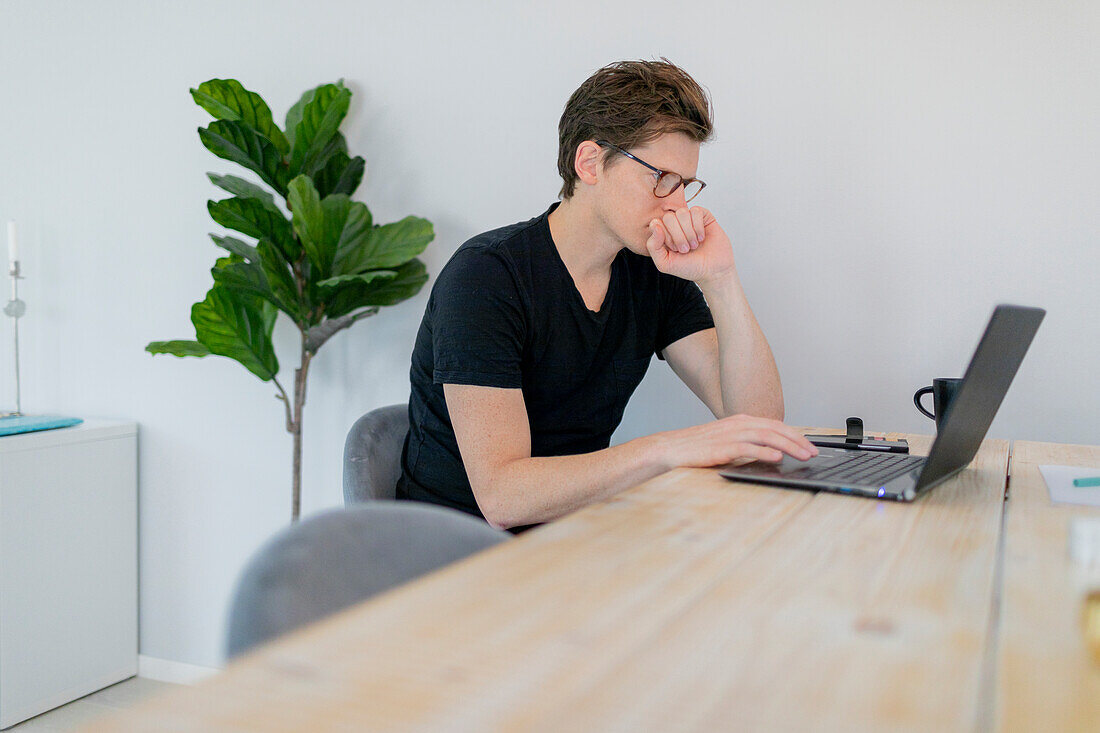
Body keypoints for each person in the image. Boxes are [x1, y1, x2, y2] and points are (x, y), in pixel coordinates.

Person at [396, 59, 818, 531]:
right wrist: (666, 450)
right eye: (662, 178)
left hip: (571, 536)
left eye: (685, 185)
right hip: (450, 554)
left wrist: (720, 279)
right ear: (590, 163)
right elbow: (503, 497)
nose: (677, 204)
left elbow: (755, 422)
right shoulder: (485, 277)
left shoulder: (650, 270)